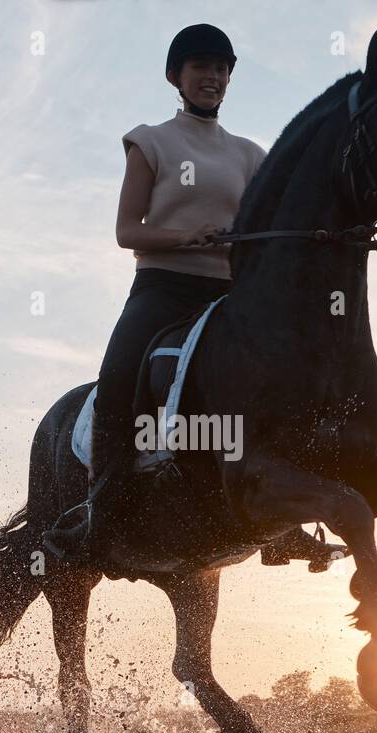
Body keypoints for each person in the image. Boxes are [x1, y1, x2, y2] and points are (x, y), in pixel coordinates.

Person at [43, 24, 338, 570]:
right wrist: (186, 237)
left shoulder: (252, 155)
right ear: (175, 76)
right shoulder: (150, 141)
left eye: (223, 68)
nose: (214, 76)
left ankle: (289, 519)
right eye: (202, 66)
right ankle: (97, 509)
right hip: (164, 286)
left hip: (230, 296)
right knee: (118, 378)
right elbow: (127, 231)